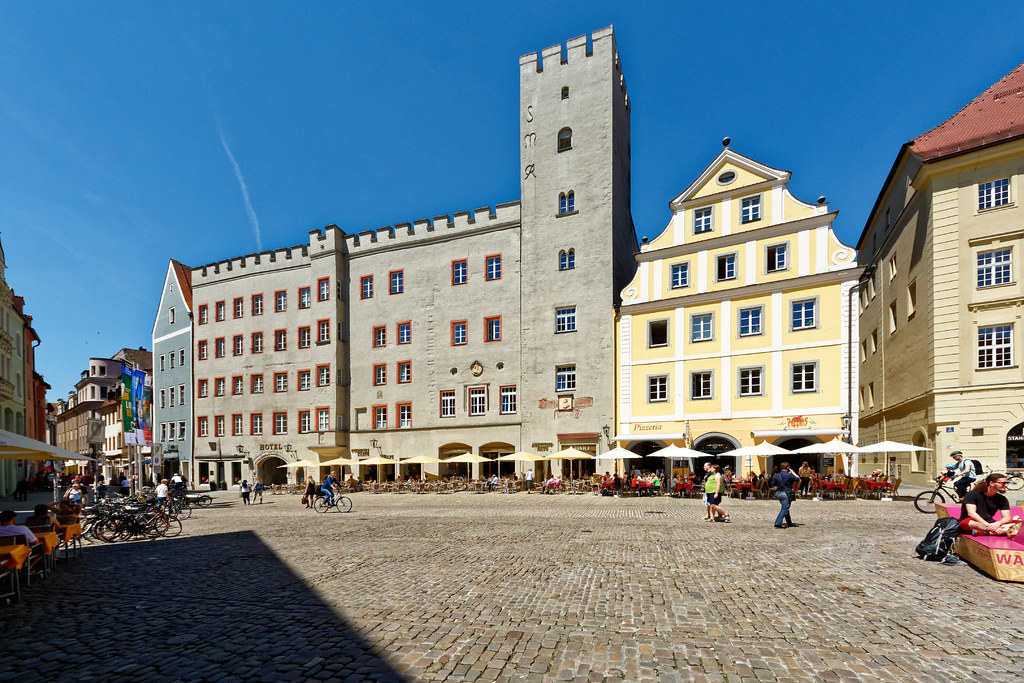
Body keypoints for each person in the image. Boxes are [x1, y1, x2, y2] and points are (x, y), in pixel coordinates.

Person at [771, 462, 800, 529]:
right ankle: (777, 522)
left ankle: (789, 522)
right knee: (785, 508)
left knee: (785, 507)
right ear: (788, 468)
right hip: (786, 493)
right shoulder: (789, 475)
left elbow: (772, 483)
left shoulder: (776, 475)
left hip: (779, 493)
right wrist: (793, 472)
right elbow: (798, 479)